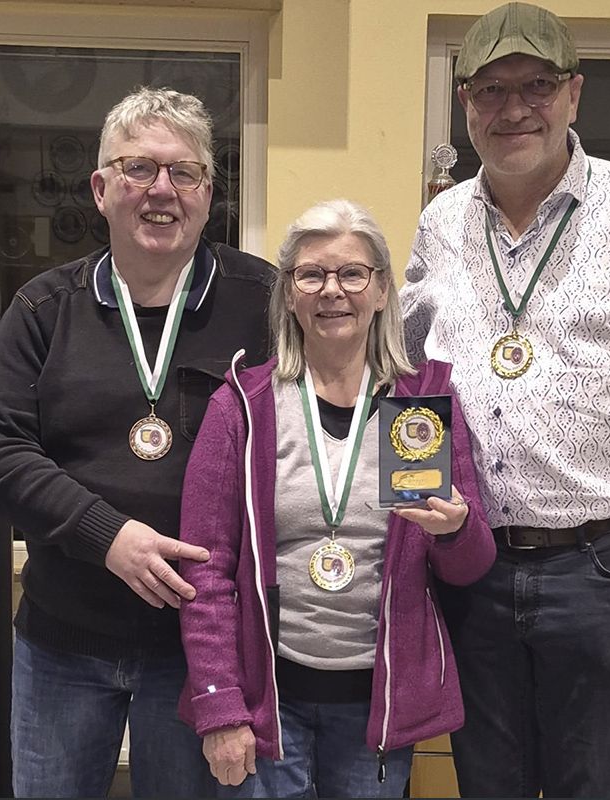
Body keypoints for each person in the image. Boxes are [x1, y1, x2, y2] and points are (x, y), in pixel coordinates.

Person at [400, 3, 610, 798]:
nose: (514, 109)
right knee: (486, 781)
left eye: (537, 85)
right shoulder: (442, 220)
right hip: (472, 564)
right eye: (491, 90)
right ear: (465, 102)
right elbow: (413, 382)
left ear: (575, 94)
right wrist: (412, 530)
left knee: (588, 782)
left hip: (601, 566)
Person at [0, 86, 274, 798]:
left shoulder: (263, 302)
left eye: (184, 172)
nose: (161, 190)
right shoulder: (44, 308)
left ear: (208, 194)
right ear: (101, 189)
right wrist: (108, 536)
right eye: (138, 168)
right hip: (63, 639)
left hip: (201, 653)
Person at [178, 199, 496, 798]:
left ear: (381, 290)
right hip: (269, 706)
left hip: (377, 708)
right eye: (311, 275)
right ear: (288, 293)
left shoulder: (418, 404)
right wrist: (219, 705)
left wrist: (454, 531)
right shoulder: (245, 406)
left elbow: (470, 565)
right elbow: (207, 568)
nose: (332, 291)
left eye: (352, 273)